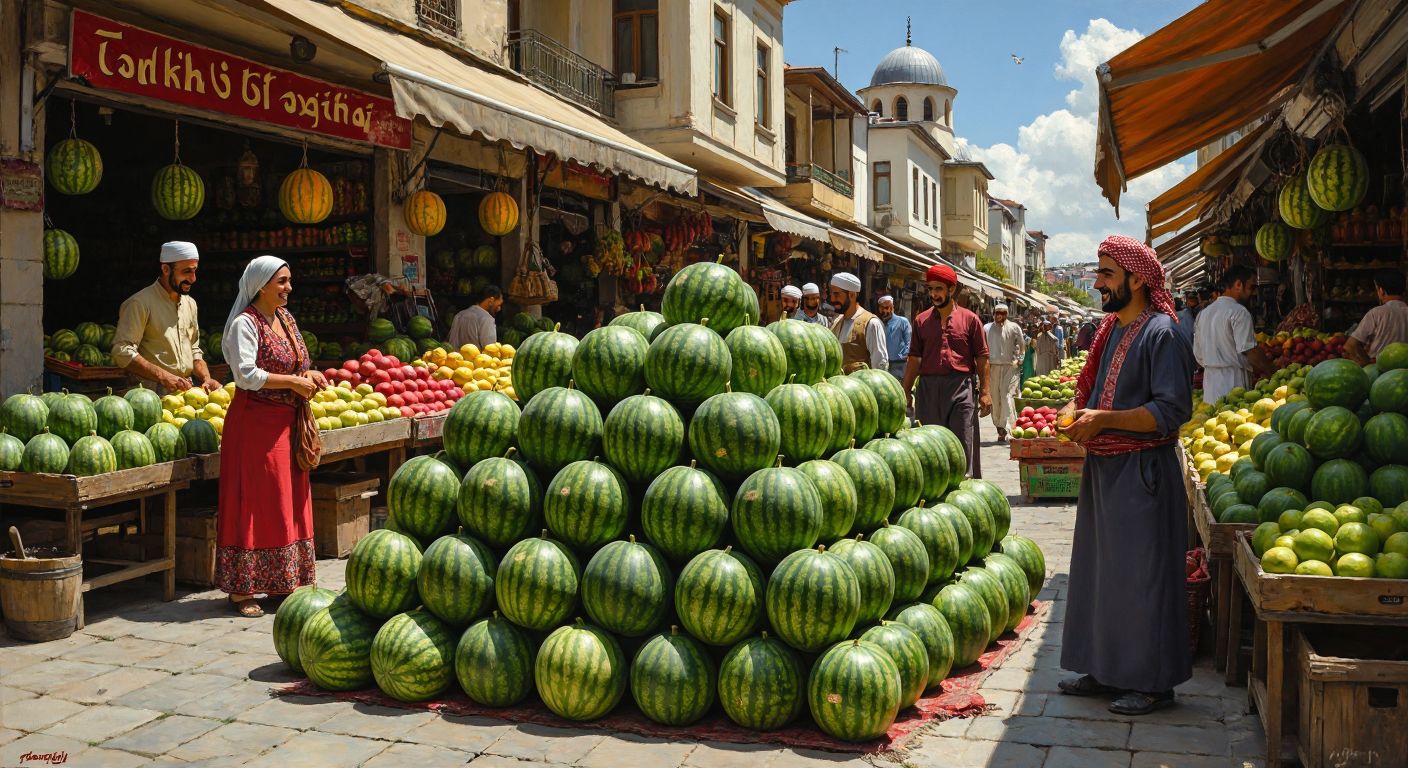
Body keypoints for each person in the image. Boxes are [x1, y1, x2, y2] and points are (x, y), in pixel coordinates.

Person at [1055, 235, 1194, 715]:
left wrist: (1104, 419)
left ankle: (1152, 682)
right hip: (1104, 470)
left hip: (1143, 472)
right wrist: (1074, 411)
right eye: (1097, 272)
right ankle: (1104, 668)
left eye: (1106, 274)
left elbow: (1171, 411)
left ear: (1138, 280)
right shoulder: (1108, 331)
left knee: (1144, 577)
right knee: (1102, 573)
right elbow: (1089, 390)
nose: (1097, 283)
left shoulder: (1163, 334)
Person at [217, 256, 327, 617]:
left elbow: (296, 362)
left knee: (287, 500)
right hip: (255, 425)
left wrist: (310, 375)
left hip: (286, 422)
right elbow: (246, 375)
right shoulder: (244, 325)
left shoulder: (286, 319)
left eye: (289, 280)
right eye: (281, 281)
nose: (288, 288)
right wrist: (294, 382)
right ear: (261, 284)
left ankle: (282, 582)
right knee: (253, 501)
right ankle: (242, 590)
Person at [901, 264, 991, 478]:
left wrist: (986, 392)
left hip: (961, 386)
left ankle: (964, 487)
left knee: (962, 440)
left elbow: (982, 357)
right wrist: (905, 390)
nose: (934, 294)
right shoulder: (920, 321)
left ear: (951, 290)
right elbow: (914, 358)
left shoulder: (970, 320)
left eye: (939, 289)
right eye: (931, 289)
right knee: (929, 445)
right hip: (928, 389)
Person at [112, 242, 222, 394]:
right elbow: (122, 350)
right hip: (148, 394)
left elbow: (194, 350)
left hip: (186, 392)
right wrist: (163, 376)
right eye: (186, 272)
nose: (193, 278)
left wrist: (206, 378)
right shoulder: (139, 303)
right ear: (165, 269)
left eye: (195, 271)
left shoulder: (190, 304)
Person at [1193, 265, 1273, 404]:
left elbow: (1198, 356)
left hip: (1210, 385)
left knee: (1213, 423)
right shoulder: (1239, 312)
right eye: (1252, 287)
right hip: (1234, 383)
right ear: (1238, 284)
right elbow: (1250, 351)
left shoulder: (1203, 314)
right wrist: (1272, 371)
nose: (1254, 293)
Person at [828, 272, 888, 373]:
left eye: (836, 294)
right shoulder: (836, 322)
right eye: (832, 294)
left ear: (852, 295)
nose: (832, 299)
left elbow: (880, 367)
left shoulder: (871, 324)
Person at [1345, 270, 1408, 364]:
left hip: (1379, 370)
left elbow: (1350, 345)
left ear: (1381, 291)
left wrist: (1367, 362)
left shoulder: (1376, 313)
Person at [985, 304, 1025, 442]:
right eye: (997, 313)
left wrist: (1019, 361)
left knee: (1007, 396)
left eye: (1002, 313)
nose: (999, 316)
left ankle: (1008, 427)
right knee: (995, 399)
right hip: (992, 368)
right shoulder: (987, 328)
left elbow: (1022, 345)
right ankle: (999, 426)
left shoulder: (1014, 327)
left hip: (1010, 368)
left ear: (1006, 314)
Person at [448, 285, 504, 350]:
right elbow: (490, 349)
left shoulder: (459, 315)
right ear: (491, 300)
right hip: (477, 359)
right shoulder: (487, 319)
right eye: (498, 305)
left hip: (455, 359)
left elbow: (451, 344)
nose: (499, 309)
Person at [877, 294, 911, 379]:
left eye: (887, 308)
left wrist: (902, 356)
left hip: (899, 364)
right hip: (882, 365)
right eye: (882, 308)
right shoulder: (877, 323)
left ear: (892, 308)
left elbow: (909, 342)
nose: (885, 311)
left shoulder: (903, 322)